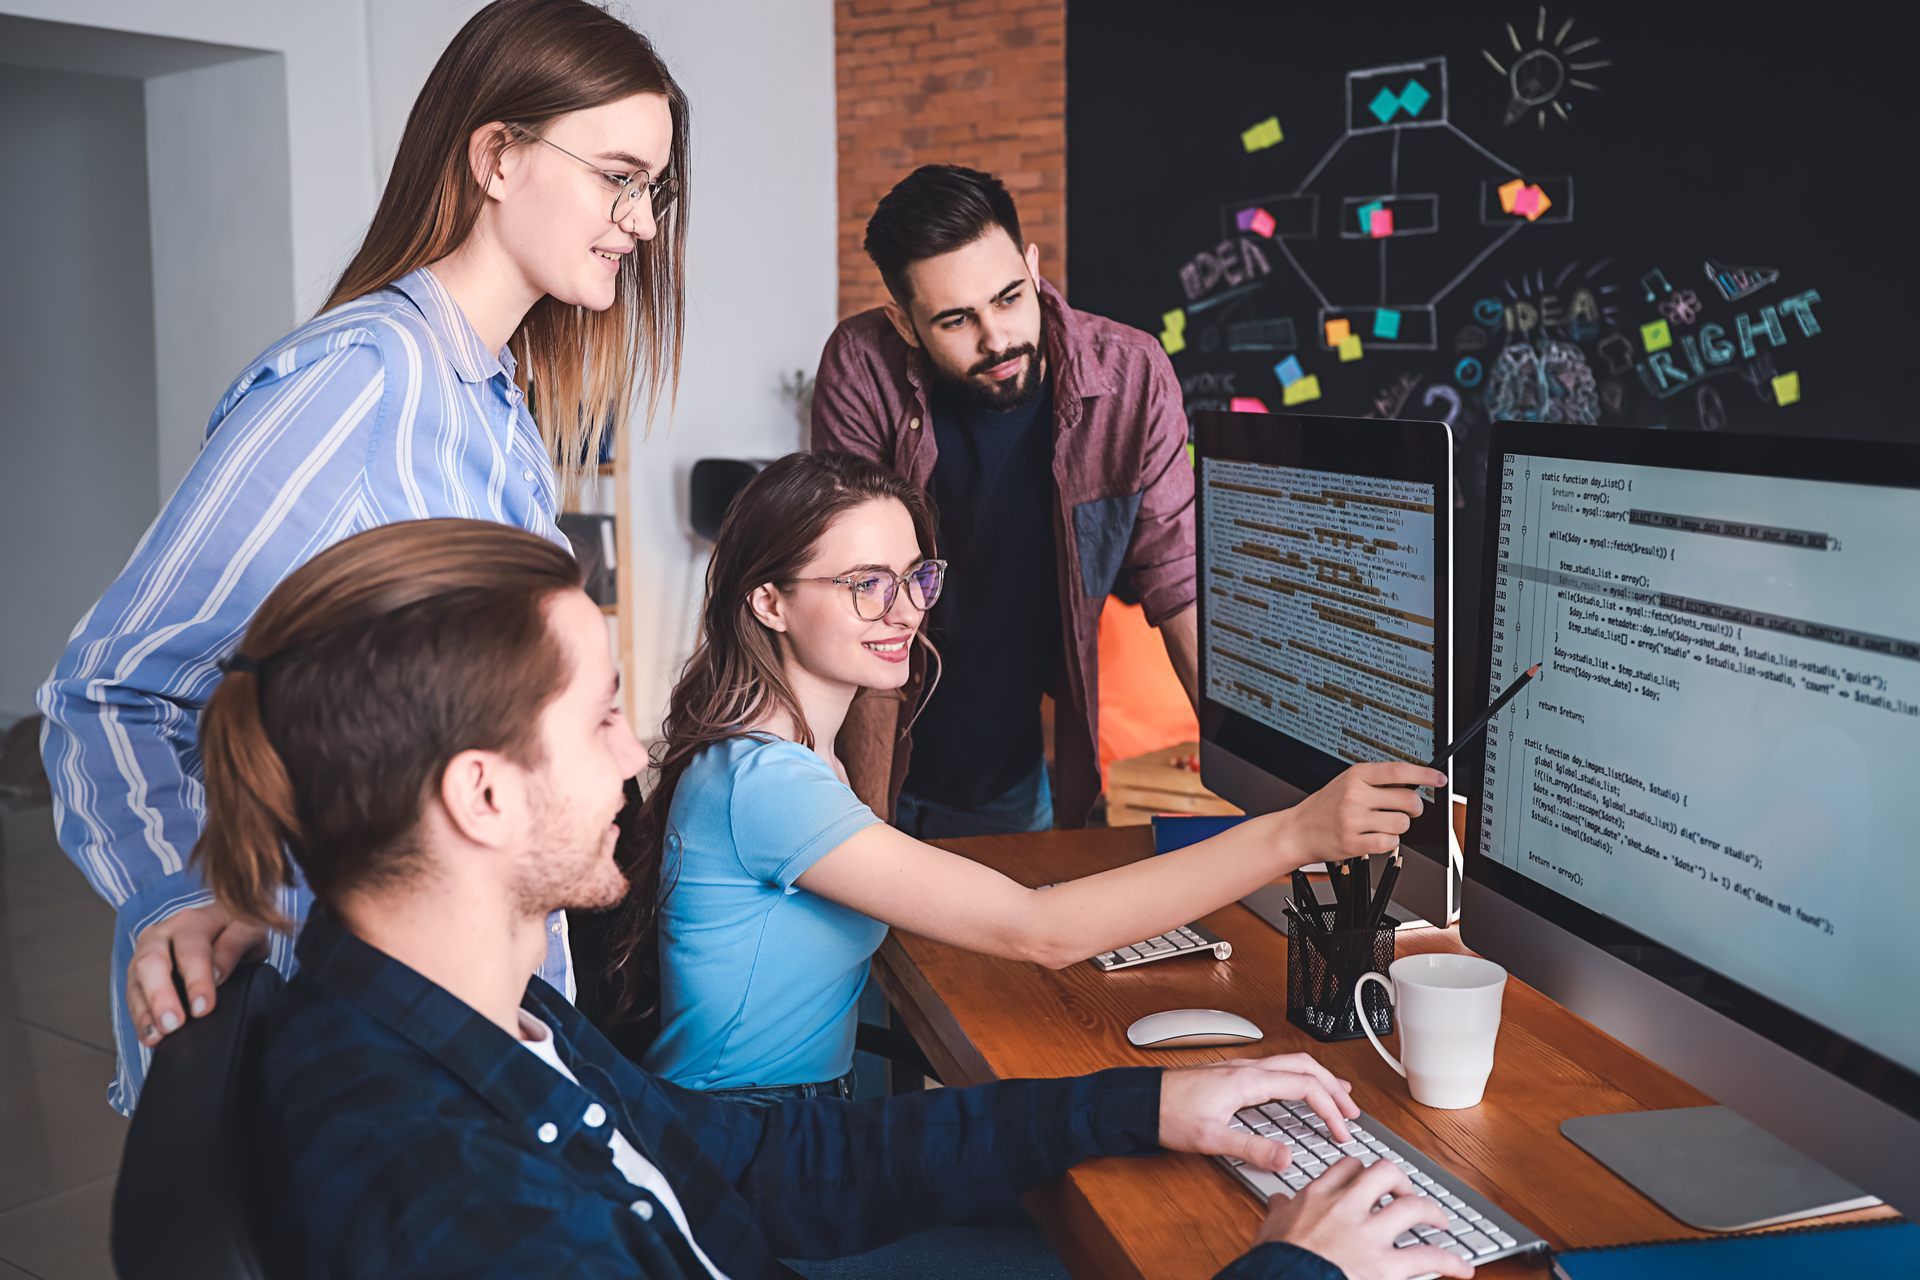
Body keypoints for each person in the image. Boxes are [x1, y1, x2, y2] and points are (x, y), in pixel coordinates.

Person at [193, 516, 1468, 1280]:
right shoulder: (450, 1196)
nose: (640, 754)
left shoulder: (487, 1015)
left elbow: (754, 1161)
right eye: (601, 720)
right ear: (480, 796)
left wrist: (1146, 1101)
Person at [34, 0, 689, 1112]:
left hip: (453, 1028)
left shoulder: (496, 407)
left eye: (655, 190)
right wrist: (168, 896)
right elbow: (113, 687)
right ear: (496, 154)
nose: (643, 221)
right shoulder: (363, 383)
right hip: (338, 1045)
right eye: (618, 176)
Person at [622, 452, 1443, 1103]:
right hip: (746, 1145)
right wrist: (1300, 830)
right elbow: (1038, 931)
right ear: (769, 603)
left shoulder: (789, 749)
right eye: (865, 586)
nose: (905, 610)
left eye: (915, 577)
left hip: (784, 1113)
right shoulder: (768, 781)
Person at [810, 164, 1198, 838]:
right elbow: (863, 597)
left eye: (1010, 297)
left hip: (1010, 780)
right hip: (861, 764)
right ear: (905, 324)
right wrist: (865, 834)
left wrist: (1279, 804)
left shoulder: (1132, 379)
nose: (996, 339)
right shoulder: (862, 367)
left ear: (1033, 265)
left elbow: (1181, 586)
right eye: (956, 320)